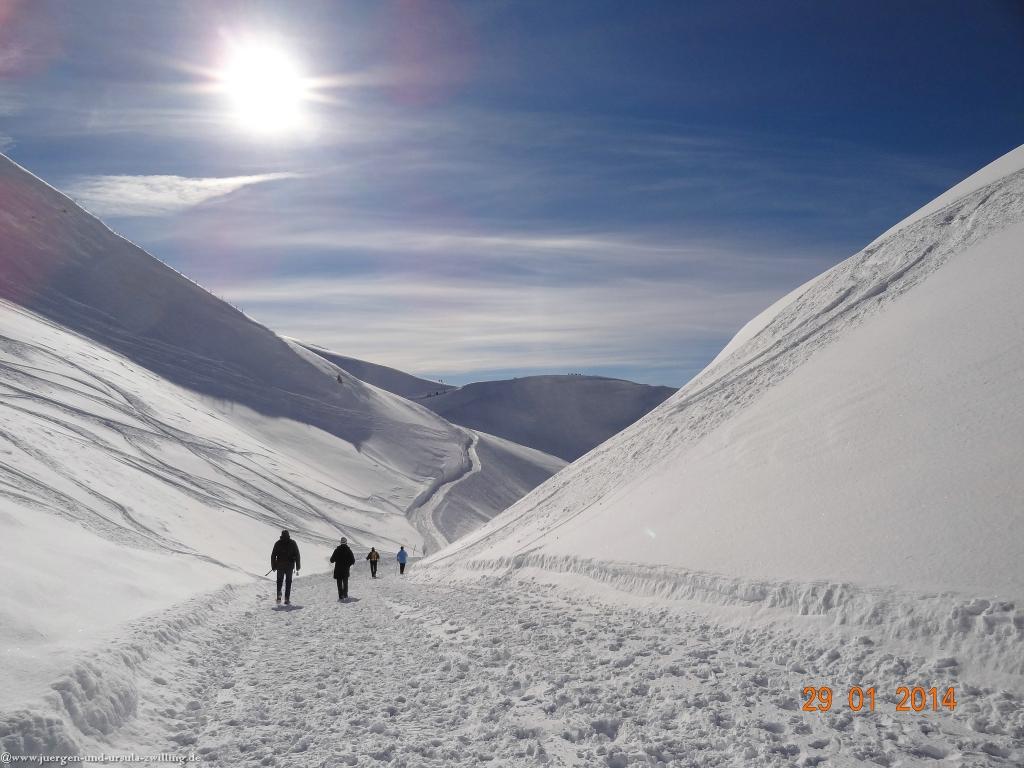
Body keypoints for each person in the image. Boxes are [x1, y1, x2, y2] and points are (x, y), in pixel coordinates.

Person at [271, 530, 301, 604]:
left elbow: (273, 556)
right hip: (289, 566)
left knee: (279, 581)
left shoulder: (278, 543)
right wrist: (298, 566)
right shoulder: (293, 543)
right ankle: (287, 598)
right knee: (288, 582)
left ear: (281, 535)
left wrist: (274, 566)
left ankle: (279, 597)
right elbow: (297, 554)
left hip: (280, 566)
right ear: (288, 535)